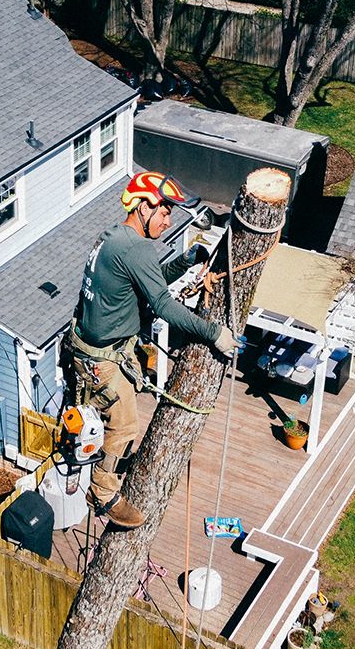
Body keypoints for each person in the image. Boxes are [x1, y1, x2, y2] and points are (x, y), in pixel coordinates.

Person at [64, 172, 239, 529]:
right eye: (164, 211)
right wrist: (212, 332)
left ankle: (103, 474)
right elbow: (160, 304)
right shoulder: (135, 247)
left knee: (106, 424)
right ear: (143, 206)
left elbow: (147, 280)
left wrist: (185, 260)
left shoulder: (113, 238)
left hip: (87, 350)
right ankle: (103, 493)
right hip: (103, 361)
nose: (168, 220)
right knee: (124, 427)